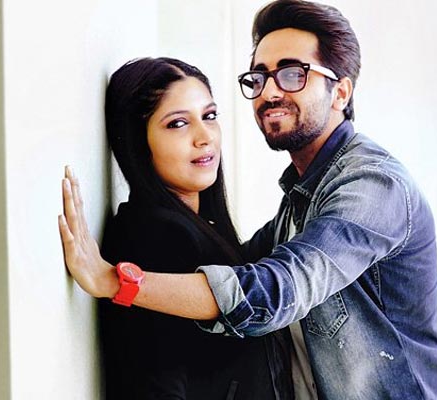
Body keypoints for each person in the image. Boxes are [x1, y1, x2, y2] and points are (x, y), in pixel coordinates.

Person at [60, 0, 437, 398]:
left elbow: (278, 289)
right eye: (260, 77)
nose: (269, 91)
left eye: (292, 74)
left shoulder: (372, 187)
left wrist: (115, 280)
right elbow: (239, 267)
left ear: (340, 92)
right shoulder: (301, 199)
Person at [74, 57, 289, 399]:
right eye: (177, 124)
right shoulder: (154, 236)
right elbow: (155, 387)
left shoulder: (199, 227)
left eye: (209, 116)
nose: (204, 137)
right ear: (138, 142)